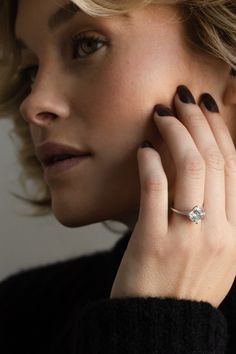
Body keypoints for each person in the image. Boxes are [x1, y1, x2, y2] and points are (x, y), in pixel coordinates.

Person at [0, 0, 236, 352]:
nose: (33, 104)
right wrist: (155, 316)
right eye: (31, 70)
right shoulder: (17, 317)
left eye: (87, 44)